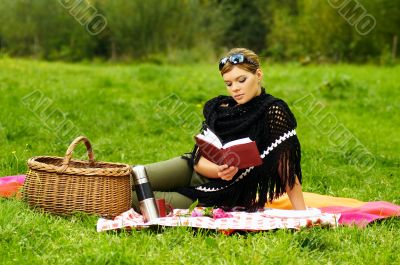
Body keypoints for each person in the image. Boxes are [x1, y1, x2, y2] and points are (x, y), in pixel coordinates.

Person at [132, 47, 306, 211]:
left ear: (258, 75)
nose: (235, 89)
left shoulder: (273, 111)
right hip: (192, 169)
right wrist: (218, 171)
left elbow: (286, 169)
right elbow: (197, 160)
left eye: (242, 80)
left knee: (129, 197)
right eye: (229, 84)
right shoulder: (221, 109)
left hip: (217, 193)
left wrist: (302, 213)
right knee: (131, 177)